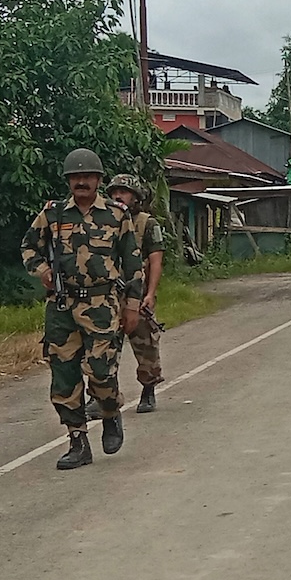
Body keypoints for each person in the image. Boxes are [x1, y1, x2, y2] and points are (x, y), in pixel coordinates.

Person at [22, 149, 143, 471]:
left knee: (101, 372)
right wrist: (42, 270)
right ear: (68, 181)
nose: (82, 182)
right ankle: (77, 441)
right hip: (62, 305)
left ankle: (110, 412)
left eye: (87, 177)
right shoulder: (53, 213)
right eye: (76, 178)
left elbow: (132, 262)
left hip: (102, 304)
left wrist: (132, 306)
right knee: (63, 376)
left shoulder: (117, 215)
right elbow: (28, 246)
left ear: (99, 180)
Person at [103, 174, 165, 414]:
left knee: (145, 344)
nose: (118, 196)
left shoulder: (147, 224)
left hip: (136, 294)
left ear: (136, 197)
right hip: (108, 295)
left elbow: (155, 259)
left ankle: (148, 390)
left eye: (124, 192)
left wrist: (150, 293)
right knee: (103, 347)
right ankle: (103, 396)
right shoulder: (104, 222)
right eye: (114, 192)